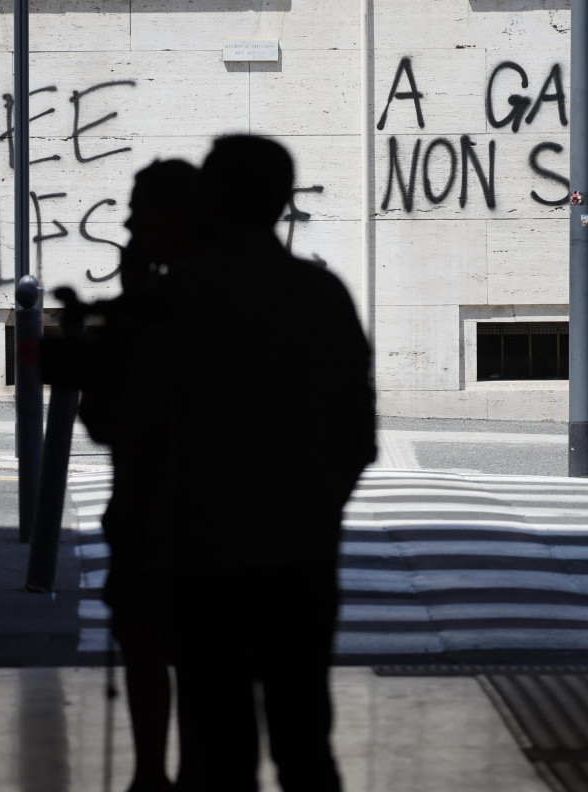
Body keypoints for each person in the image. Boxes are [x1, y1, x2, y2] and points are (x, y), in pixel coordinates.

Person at [162, 135, 376, 791]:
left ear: (207, 199)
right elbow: (356, 434)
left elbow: (132, 428)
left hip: (204, 556)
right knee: (304, 738)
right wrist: (313, 508)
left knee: (219, 741)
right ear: (284, 201)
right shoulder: (319, 295)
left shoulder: (181, 299)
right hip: (300, 554)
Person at [76, 158, 201, 792]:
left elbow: (102, 420)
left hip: (154, 517)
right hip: (218, 524)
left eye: (139, 208)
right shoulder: (224, 301)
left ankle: (151, 773)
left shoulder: (153, 314)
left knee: (147, 653)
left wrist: (124, 313)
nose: (125, 221)